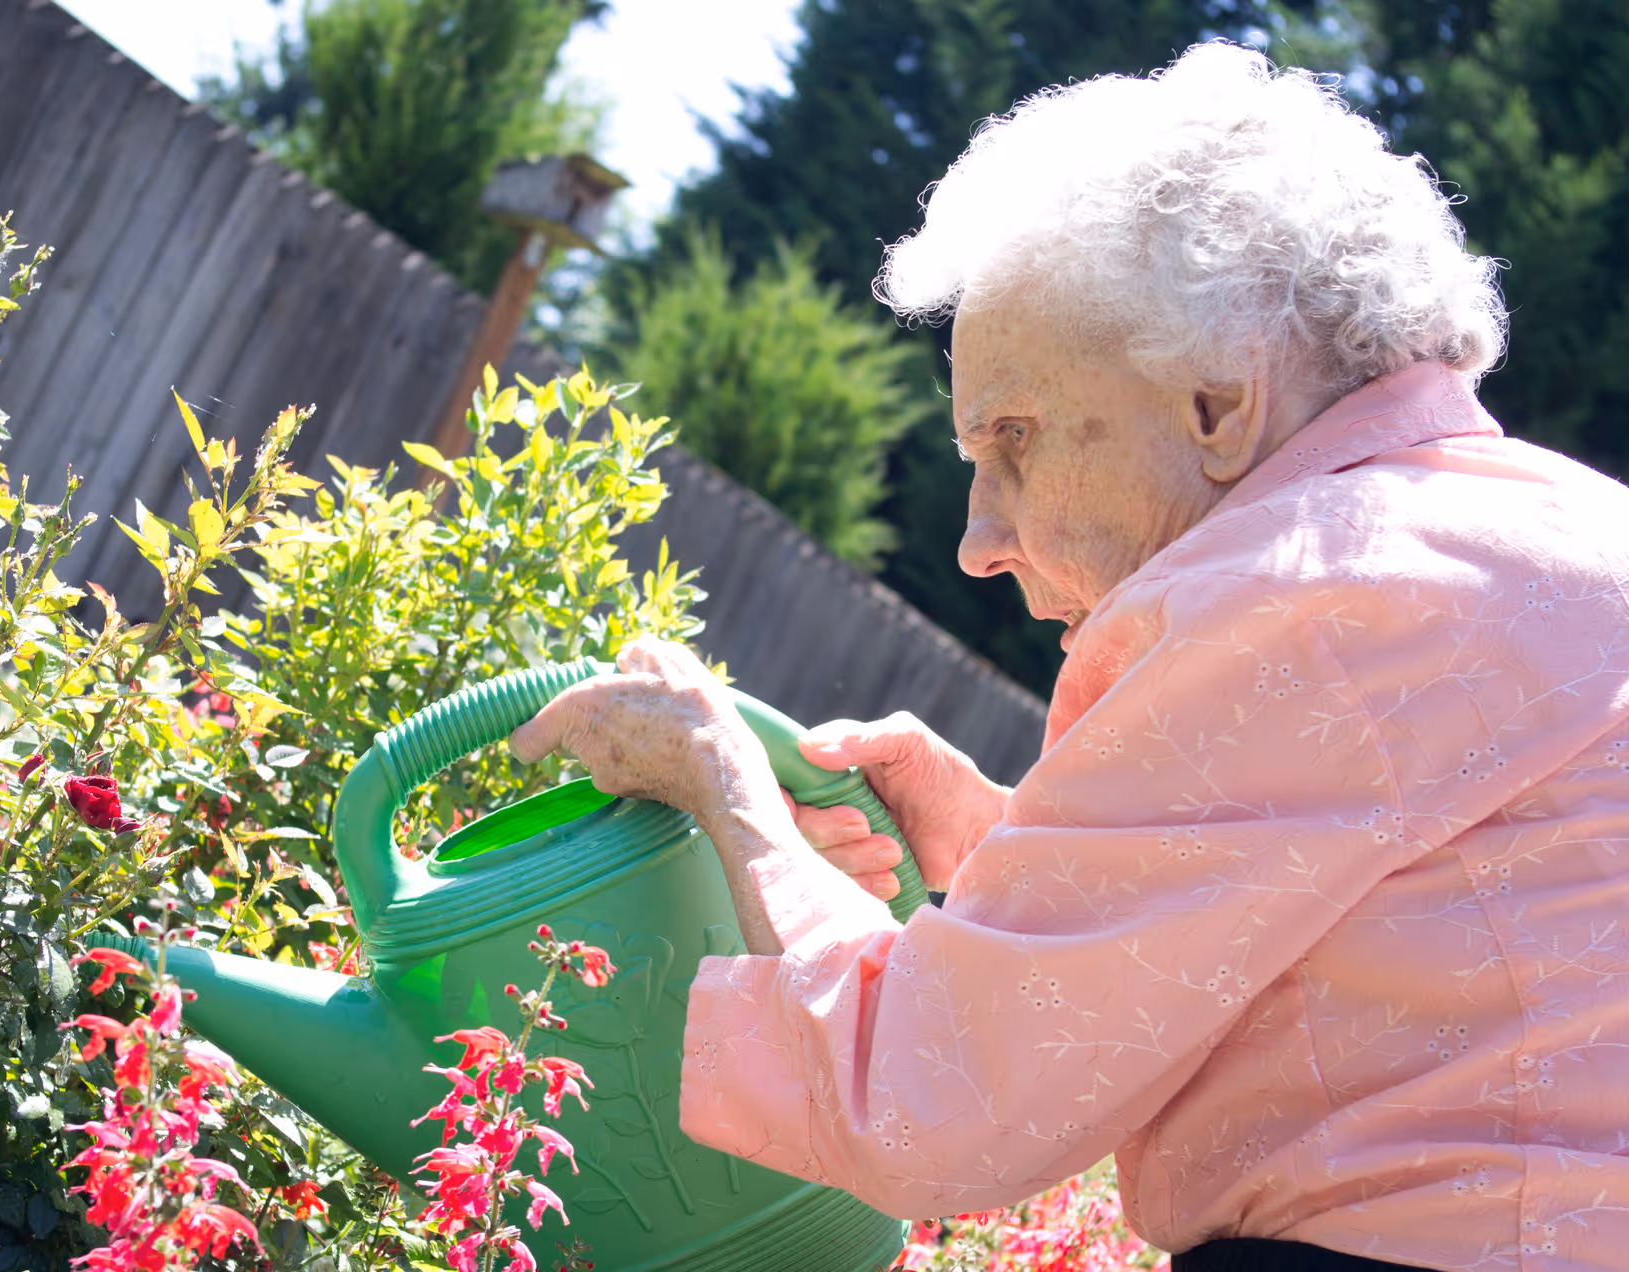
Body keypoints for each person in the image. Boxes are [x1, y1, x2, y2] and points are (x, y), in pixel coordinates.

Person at [509, 41, 1629, 1272]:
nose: (979, 541)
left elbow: (934, 1100)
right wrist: (1000, 848)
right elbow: (1373, 955)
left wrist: (727, 789)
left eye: (1016, 440)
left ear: (1217, 407)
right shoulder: (1551, 525)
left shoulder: (1302, 589)